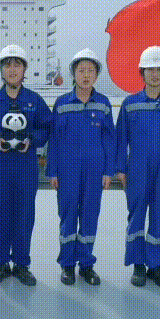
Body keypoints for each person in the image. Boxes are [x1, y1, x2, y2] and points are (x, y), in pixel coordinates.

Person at [0, 45, 52, 286]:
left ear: (24, 69)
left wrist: (32, 140)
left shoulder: (34, 100)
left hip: (25, 168)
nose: (12, 69)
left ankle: (21, 264)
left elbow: (46, 128)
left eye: (17, 64)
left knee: (23, 216)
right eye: (7, 65)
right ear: (1, 70)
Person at [116, 46, 160, 288]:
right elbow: (121, 139)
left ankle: (155, 265)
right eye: (150, 69)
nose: (155, 74)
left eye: (159, 69)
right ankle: (138, 264)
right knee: (136, 214)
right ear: (142, 72)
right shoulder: (130, 104)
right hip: (137, 167)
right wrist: (121, 169)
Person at [47, 49, 115, 286]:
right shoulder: (62, 104)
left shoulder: (103, 104)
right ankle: (67, 265)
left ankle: (86, 265)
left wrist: (108, 171)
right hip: (67, 170)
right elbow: (54, 140)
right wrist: (52, 171)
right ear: (73, 74)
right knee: (68, 216)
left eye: (90, 71)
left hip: (94, 171)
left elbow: (110, 140)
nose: (86, 75)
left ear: (96, 75)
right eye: (81, 71)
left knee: (89, 215)